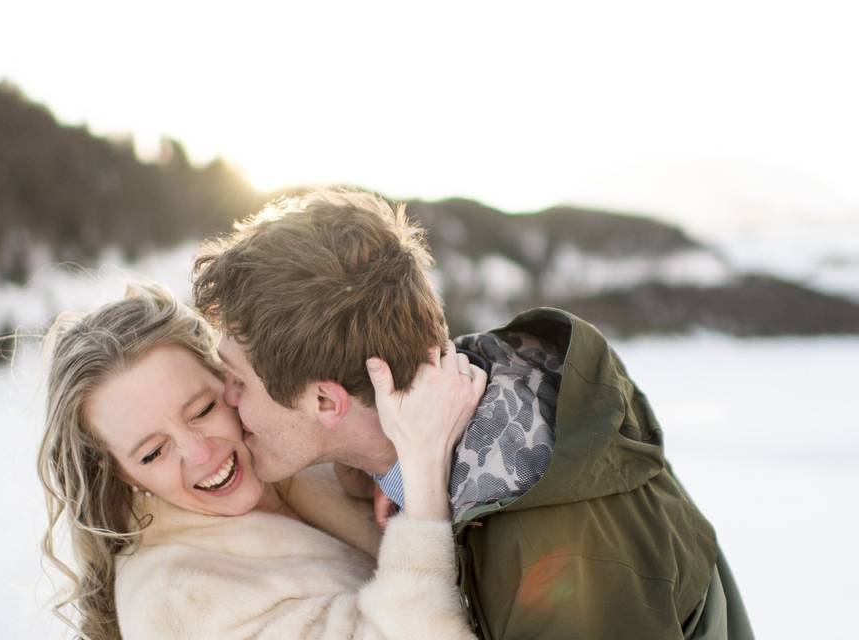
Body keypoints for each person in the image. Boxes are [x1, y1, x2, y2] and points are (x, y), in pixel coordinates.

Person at [192, 190, 755, 639]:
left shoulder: (559, 548)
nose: (226, 398)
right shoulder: (456, 452)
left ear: (325, 402)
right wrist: (382, 475)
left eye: (238, 381)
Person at [37, 282, 486, 640]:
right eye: (153, 453)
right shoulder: (173, 601)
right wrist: (424, 478)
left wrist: (378, 466)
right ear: (119, 472)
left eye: (202, 411)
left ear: (230, 381)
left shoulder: (301, 458)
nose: (200, 453)